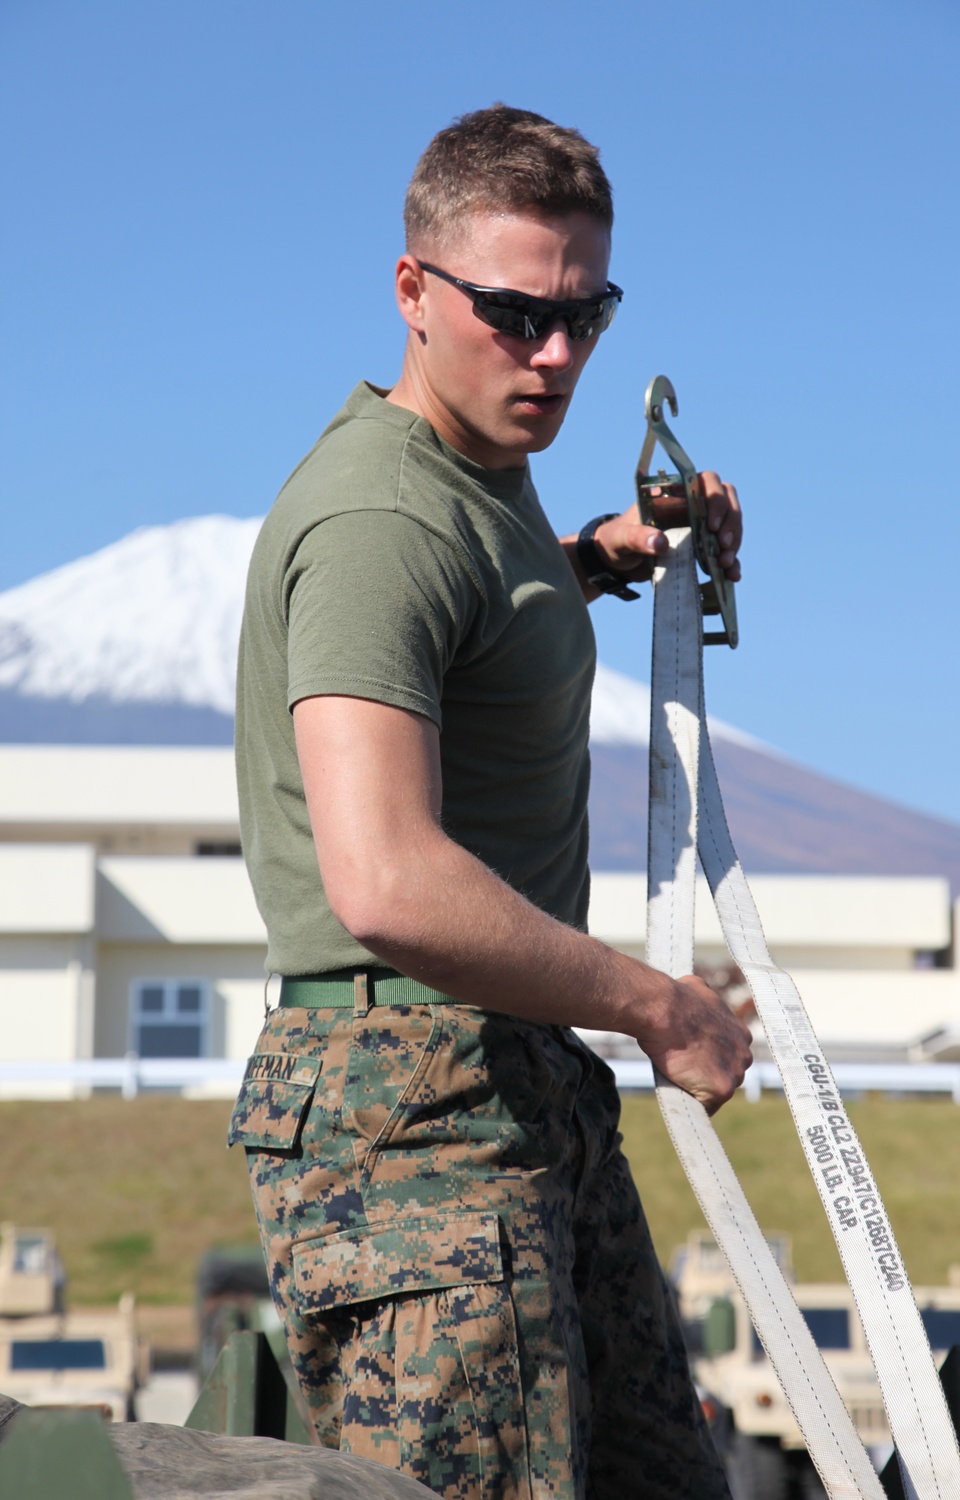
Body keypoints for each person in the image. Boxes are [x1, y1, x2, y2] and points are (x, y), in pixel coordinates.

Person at [230, 104, 751, 1500]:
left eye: (589, 312)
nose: (559, 356)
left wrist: (612, 551)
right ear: (413, 288)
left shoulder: (481, 482)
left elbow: (482, 620)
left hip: (519, 1087)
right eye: (517, 312)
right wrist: (654, 1002)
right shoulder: (378, 523)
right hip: (413, 1119)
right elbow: (385, 881)